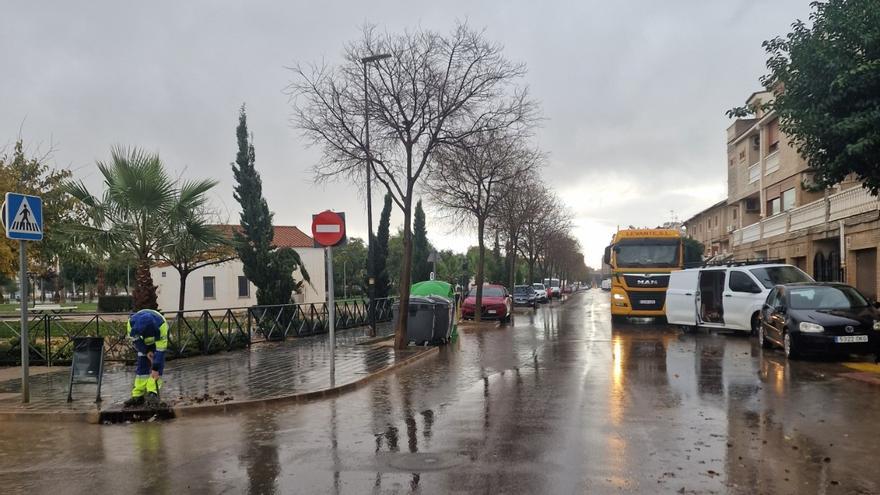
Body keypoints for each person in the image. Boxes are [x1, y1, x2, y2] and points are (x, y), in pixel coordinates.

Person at [123, 309, 168, 408]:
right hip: (143, 344)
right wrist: (146, 351)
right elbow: (136, 340)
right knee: (141, 368)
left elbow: (160, 351)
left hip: (157, 342)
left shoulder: (162, 326)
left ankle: (152, 393)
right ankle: (138, 396)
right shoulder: (131, 325)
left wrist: (155, 368)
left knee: (157, 368)